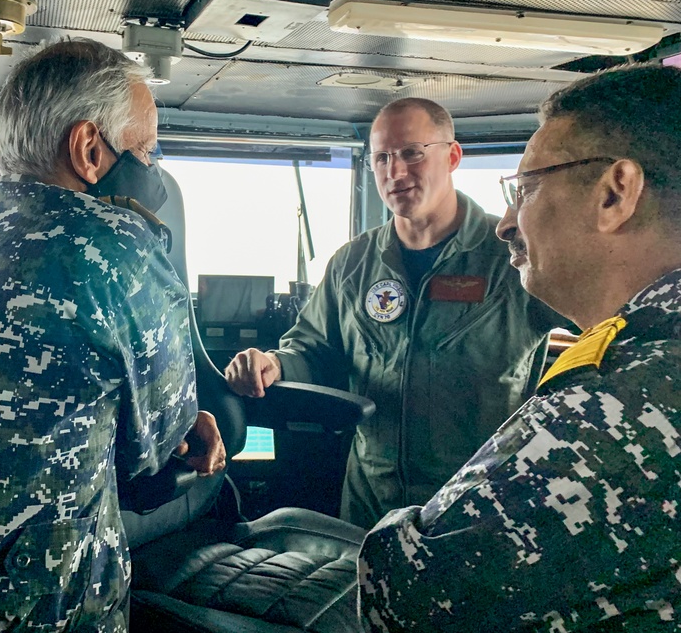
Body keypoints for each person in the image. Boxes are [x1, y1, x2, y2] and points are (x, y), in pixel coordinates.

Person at [0, 39, 226, 633]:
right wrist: (191, 424)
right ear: (88, 148)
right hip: (37, 600)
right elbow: (153, 449)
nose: (152, 168)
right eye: (147, 150)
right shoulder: (116, 244)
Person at [357, 64, 681, 632]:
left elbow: (407, 596)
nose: (507, 223)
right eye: (382, 158)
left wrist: (396, 530)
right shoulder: (354, 261)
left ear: (616, 192)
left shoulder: (620, 400)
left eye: (525, 188)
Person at [225, 98, 561, 528]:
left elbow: (605, 324)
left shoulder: (510, 253)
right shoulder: (353, 262)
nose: (394, 172)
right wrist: (273, 363)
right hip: (371, 500)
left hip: (476, 501)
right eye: (381, 157)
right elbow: (313, 350)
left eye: (411, 153)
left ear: (452, 156)